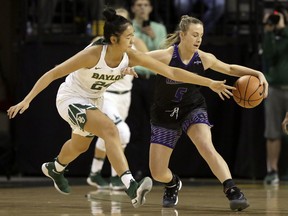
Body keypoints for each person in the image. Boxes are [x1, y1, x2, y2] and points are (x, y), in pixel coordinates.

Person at [7, 8, 234, 208]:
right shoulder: (93, 53)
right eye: (128, 37)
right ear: (114, 39)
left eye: (133, 36)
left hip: (94, 99)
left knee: (79, 146)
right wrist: (27, 99)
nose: (133, 41)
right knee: (110, 130)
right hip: (71, 97)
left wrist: (209, 82)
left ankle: (55, 167)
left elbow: (172, 72)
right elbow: (54, 73)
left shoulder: (130, 56)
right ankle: (131, 186)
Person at [145, 15, 269, 211]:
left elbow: (229, 68)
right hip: (164, 114)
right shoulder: (166, 55)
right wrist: (127, 68)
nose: (198, 40)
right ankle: (172, 183)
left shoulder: (203, 58)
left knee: (206, 146)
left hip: (192, 108)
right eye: (194, 35)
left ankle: (232, 190)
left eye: (201, 36)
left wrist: (257, 73)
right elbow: (135, 58)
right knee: (158, 173)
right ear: (182, 35)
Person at [86, 7, 148, 190]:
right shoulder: (101, 43)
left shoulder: (135, 43)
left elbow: (149, 63)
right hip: (106, 96)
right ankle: (117, 177)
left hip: (125, 96)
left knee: (109, 135)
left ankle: (95, 173)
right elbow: (82, 59)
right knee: (122, 132)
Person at [126, 0, 167, 180]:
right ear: (133, 8)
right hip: (135, 80)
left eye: (146, 5)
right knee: (134, 127)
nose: (142, 8)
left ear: (151, 8)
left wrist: (151, 37)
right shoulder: (128, 27)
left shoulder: (159, 28)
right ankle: (135, 170)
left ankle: (157, 171)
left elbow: (164, 55)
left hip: (154, 81)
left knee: (156, 125)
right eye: (139, 5)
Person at [262, 9, 288, 185]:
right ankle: (272, 171)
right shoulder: (272, 36)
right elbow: (269, 56)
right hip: (275, 88)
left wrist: (284, 29)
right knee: (272, 131)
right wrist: (270, 31)